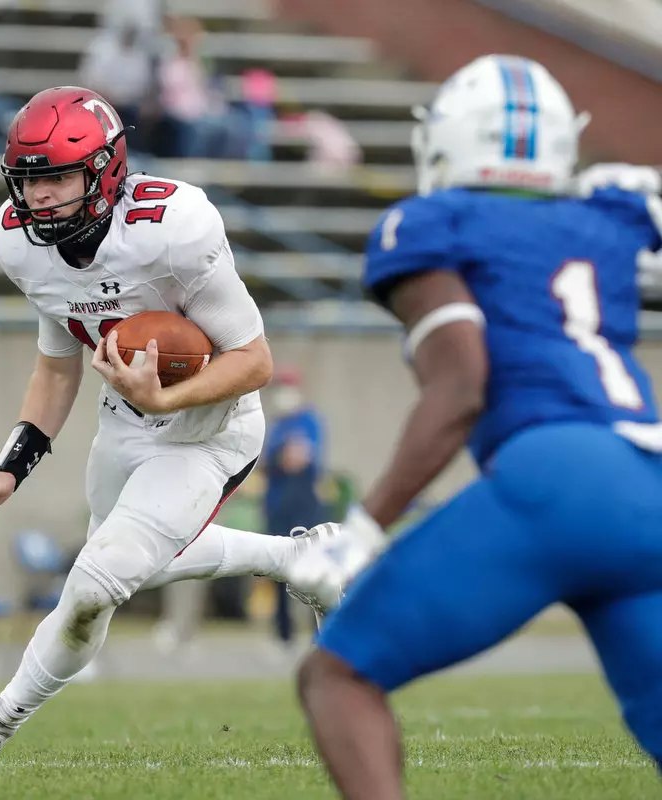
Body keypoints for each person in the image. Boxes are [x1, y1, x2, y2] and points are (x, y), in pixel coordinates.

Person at [285, 54, 662, 799]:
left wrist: (361, 530)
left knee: (339, 673)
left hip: (556, 476)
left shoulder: (432, 221)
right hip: (648, 482)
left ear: (448, 141)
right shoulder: (611, 213)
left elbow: (461, 387)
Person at [0, 86, 327, 764]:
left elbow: (254, 360)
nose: (40, 197)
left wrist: (169, 399)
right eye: (29, 180)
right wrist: (9, 467)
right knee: (119, 569)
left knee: (95, 584)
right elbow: (56, 369)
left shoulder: (174, 228)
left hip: (210, 428)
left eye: (56, 177)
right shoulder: (19, 243)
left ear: (105, 171)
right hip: (125, 420)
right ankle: (298, 558)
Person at [261, 367, 326, 645]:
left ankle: (318, 630)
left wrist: (289, 456)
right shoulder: (276, 426)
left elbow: (303, 459)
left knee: (314, 569)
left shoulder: (310, 421)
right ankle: (283, 632)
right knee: (278, 569)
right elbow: (269, 461)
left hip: (304, 506)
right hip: (277, 506)